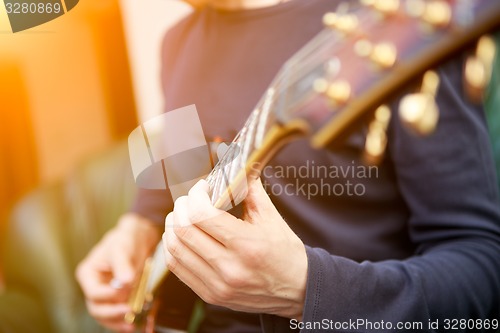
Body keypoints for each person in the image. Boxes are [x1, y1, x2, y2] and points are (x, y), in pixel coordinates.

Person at [76, 0, 500, 332]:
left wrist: (303, 288)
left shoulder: (391, 28)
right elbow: (168, 183)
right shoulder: (176, 43)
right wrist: (135, 226)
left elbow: (482, 268)